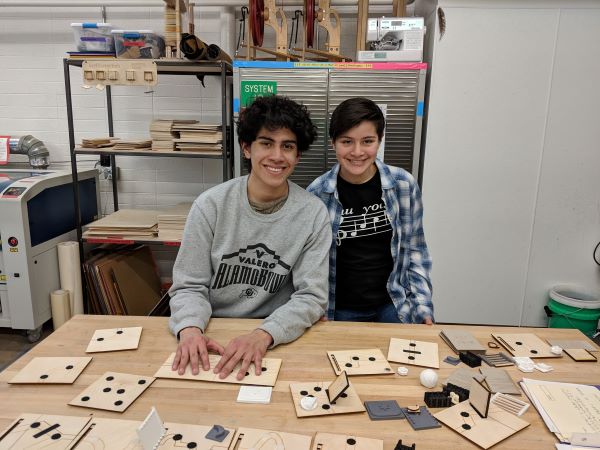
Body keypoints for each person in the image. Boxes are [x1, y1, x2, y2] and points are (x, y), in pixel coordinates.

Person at [169, 95, 330, 380]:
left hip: (274, 335)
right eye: (266, 143)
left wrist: (263, 334)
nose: (277, 156)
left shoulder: (313, 214)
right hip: (211, 331)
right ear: (246, 148)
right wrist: (190, 328)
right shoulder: (210, 206)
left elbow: (311, 296)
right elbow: (189, 286)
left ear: (298, 155)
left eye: (288, 146)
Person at [307, 97, 433, 324]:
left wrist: (422, 307)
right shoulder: (318, 194)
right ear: (333, 142)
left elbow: (416, 251)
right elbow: (310, 263)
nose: (357, 152)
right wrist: (315, 309)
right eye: (347, 141)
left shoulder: (403, 184)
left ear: (379, 141)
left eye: (367, 141)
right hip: (340, 309)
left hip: (393, 305)